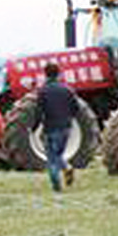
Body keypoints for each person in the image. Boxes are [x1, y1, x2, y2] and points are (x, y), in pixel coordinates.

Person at [35, 62, 81, 193]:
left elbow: (38, 112)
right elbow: (76, 109)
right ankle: (66, 167)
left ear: (45, 74)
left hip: (50, 127)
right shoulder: (68, 90)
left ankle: (57, 186)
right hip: (66, 128)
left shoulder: (42, 91)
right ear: (58, 73)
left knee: (52, 158)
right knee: (58, 154)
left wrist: (35, 127)